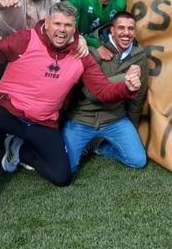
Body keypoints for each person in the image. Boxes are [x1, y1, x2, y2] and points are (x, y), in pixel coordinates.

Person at [0, 2, 141, 209]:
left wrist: (126, 88)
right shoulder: (25, 38)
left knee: (62, 177)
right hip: (9, 110)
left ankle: (18, 150)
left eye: (67, 25)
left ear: (74, 29)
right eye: (57, 23)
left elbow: (102, 91)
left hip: (42, 122)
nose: (62, 30)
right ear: (46, 23)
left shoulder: (81, 56)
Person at [63, 11, 149, 173]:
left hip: (115, 118)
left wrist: (132, 126)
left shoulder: (139, 55)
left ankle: (99, 145)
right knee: (68, 167)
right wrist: (126, 78)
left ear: (135, 32)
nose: (126, 33)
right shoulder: (92, 50)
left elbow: (137, 97)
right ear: (112, 30)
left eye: (130, 29)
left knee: (138, 160)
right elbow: (92, 93)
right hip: (82, 118)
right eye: (121, 28)